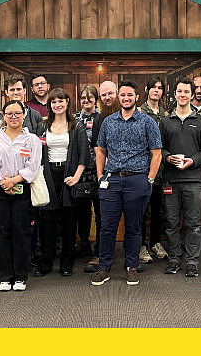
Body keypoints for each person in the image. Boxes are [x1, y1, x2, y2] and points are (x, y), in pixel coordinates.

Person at [91, 80, 162, 287]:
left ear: (136, 97)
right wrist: (100, 176)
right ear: (118, 97)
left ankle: (131, 267)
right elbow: (101, 151)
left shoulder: (147, 122)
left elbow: (156, 153)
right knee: (107, 228)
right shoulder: (108, 122)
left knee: (133, 227)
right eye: (123, 95)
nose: (126, 98)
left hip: (137, 180)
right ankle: (104, 268)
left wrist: (149, 179)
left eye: (130, 95)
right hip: (111, 181)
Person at [0, 100, 42, 292]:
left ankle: (20, 277)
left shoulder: (32, 139)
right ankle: (5, 276)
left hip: (22, 191)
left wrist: (14, 181)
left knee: (21, 233)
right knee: (1, 232)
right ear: (3, 115)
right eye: (10, 114)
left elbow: (33, 167)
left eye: (18, 113)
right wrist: (4, 182)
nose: (14, 117)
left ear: (24, 114)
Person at [159, 79, 201, 277]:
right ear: (175, 94)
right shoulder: (165, 122)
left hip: (193, 180)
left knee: (193, 223)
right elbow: (158, 149)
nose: (183, 94)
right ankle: (174, 258)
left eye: (186, 91)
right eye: (179, 91)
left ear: (192, 95)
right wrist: (167, 157)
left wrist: (193, 161)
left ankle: (191, 261)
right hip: (170, 180)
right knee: (172, 223)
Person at [34, 89, 89, 277]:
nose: (57, 105)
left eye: (61, 101)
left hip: (70, 176)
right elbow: (36, 154)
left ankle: (67, 264)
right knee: (47, 222)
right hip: (48, 175)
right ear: (49, 105)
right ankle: (45, 264)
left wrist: (76, 176)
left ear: (67, 102)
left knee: (69, 223)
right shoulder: (42, 127)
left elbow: (84, 155)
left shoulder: (77, 126)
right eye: (53, 102)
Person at [84, 80, 118, 273]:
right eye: (103, 95)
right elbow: (99, 149)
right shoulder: (99, 119)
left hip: (129, 175)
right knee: (102, 218)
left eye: (110, 93)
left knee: (133, 219)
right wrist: (103, 172)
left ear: (117, 93)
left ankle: (134, 253)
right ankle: (100, 255)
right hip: (106, 175)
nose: (107, 98)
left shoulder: (133, 115)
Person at [138, 76, 169, 263]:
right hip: (143, 168)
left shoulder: (166, 115)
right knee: (141, 210)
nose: (156, 91)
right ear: (147, 89)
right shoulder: (140, 112)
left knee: (158, 209)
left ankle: (156, 242)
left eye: (160, 88)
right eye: (153, 87)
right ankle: (141, 245)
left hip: (161, 170)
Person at [73, 84, 100, 261]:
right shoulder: (73, 118)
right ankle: (83, 244)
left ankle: (100, 247)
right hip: (80, 170)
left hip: (98, 170)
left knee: (100, 212)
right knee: (82, 211)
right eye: (83, 97)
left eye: (90, 97)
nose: (86, 100)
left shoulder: (104, 118)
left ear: (95, 99)